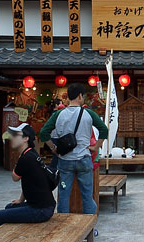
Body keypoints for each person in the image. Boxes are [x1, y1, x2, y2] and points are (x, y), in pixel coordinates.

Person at [40, 83, 108, 214]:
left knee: (63, 195)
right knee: (87, 196)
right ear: (80, 96)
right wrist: (95, 147)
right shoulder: (88, 113)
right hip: (84, 160)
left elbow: (44, 133)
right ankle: (90, 228)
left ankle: (63, 228)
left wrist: (53, 147)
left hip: (65, 161)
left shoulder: (58, 114)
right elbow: (103, 130)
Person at [0, 123, 55, 230]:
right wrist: (21, 200)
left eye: (16, 135)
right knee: (9, 207)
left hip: (40, 210)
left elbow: (15, 177)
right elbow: (29, 181)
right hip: (44, 206)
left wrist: (17, 161)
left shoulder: (26, 157)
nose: (12, 138)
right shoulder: (32, 153)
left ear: (25, 138)